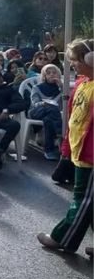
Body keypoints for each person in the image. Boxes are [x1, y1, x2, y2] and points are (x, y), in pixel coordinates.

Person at [36, 39, 93, 254]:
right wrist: (67, 146)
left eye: (77, 60)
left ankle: (61, 238)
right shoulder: (81, 83)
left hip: (92, 154)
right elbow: (74, 117)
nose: (74, 65)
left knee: (83, 199)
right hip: (80, 150)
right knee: (90, 201)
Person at [28, 64, 64, 160]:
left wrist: (61, 87)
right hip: (37, 111)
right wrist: (44, 103)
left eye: (54, 72)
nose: (52, 75)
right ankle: (60, 133)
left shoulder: (60, 88)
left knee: (48, 120)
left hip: (51, 115)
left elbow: (66, 101)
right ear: (44, 76)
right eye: (48, 73)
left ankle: (49, 150)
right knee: (51, 108)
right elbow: (35, 103)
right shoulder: (37, 87)